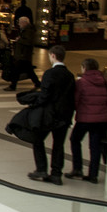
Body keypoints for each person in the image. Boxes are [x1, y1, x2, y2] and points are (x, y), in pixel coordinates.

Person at [25, 45, 77, 185]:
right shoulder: (70, 75)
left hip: (50, 114)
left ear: (53, 55)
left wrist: (35, 104)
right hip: (64, 116)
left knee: (37, 139)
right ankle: (56, 173)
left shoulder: (50, 74)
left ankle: (41, 168)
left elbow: (45, 94)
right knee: (58, 145)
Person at [65, 57, 107, 184]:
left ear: (84, 68)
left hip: (85, 118)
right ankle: (93, 174)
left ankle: (77, 168)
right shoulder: (105, 82)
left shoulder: (81, 82)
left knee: (75, 140)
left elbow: (76, 100)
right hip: (101, 119)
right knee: (95, 146)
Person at [5, 16, 41, 91]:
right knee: (29, 71)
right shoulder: (26, 30)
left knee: (16, 70)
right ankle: (37, 83)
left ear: (25, 23)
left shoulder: (28, 31)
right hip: (24, 54)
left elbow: (28, 42)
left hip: (23, 54)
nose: (19, 24)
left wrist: (19, 40)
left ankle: (13, 85)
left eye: (20, 23)